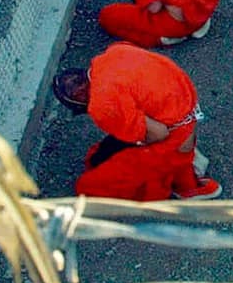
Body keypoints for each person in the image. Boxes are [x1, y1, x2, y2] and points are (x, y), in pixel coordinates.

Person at [52, 45, 221, 200]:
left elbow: (159, 133)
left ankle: (177, 179)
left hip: (172, 138)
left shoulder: (101, 104)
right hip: (186, 116)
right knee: (100, 154)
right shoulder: (114, 53)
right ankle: (183, 165)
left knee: (87, 186)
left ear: (79, 100)